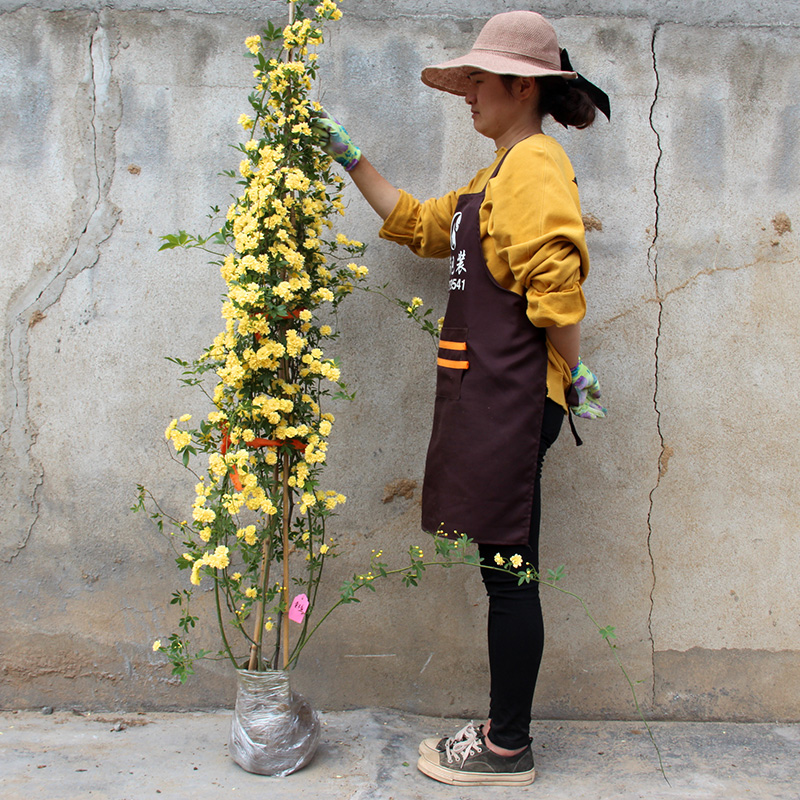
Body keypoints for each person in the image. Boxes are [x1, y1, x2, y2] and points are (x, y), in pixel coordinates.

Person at [313, 9, 608, 787]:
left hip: (513, 401)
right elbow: (419, 222)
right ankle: (503, 730)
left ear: (522, 86)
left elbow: (557, 292)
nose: (468, 92)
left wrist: (576, 381)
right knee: (504, 569)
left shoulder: (537, 165)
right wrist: (351, 159)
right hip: (493, 399)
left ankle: (508, 747)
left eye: (480, 79)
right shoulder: (497, 176)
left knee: (510, 574)